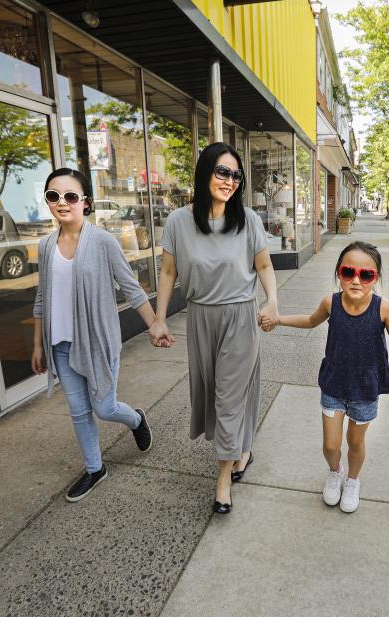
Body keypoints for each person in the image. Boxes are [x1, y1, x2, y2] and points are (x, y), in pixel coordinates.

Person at [148, 142, 279, 515]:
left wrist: (272, 301)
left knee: (228, 395)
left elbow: (265, 267)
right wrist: (158, 319)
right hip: (201, 316)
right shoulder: (178, 221)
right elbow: (169, 273)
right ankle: (243, 448)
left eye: (236, 175)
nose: (230, 181)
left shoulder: (249, 220)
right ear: (205, 172)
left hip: (240, 314)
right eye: (223, 172)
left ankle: (223, 481)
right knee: (210, 392)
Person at [31, 168, 166, 503]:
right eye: (53, 196)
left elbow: (131, 289)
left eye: (70, 196)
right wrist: (38, 345)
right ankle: (94, 468)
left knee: (104, 408)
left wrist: (154, 325)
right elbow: (41, 298)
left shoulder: (103, 242)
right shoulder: (46, 246)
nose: (62, 203)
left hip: (96, 343)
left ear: (85, 202)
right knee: (79, 411)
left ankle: (136, 419)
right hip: (60, 345)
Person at [262, 241, 389, 513]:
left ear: (376, 278)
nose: (356, 280)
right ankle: (335, 471)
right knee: (331, 444)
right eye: (349, 272)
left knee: (356, 442)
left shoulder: (384, 309)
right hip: (334, 384)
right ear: (339, 273)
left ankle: (352, 480)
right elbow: (310, 321)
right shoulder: (331, 302)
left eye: (366, 275)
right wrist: (279, 319)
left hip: (365, 388)